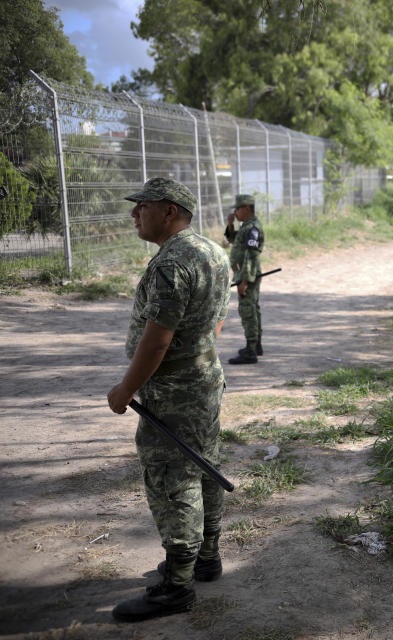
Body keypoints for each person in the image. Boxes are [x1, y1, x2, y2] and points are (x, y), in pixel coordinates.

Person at [107, 177, 231, 622]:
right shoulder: (214, 253)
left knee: (171, 476)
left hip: (174, 390)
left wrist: (125, 389)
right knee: (205, 466)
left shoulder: (170, 263)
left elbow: (157, 341)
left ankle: (177, 587)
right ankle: (206, 558)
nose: (134, 213)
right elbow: (217, 320)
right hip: (204, 379)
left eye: (142, 206)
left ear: (170, 212)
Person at [224, 194, 265, 364]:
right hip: (245, 273)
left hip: (247, 274)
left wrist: (245, 281)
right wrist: (230, 224)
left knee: (247, 310)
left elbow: (251, 255)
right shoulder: (246, 226)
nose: (235, 212)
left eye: (238, 209)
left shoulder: (252, 228)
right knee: (252, 308)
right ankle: (256, 345)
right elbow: (234, 240)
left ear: (247, 208)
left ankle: (250, 351)